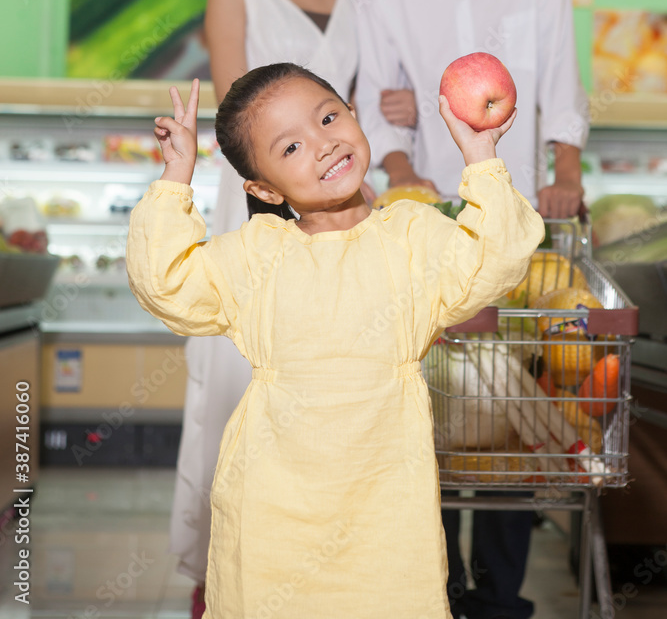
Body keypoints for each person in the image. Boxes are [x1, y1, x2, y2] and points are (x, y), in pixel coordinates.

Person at [127, 63, 545, 618]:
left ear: (353, 113)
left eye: (328, 117)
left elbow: (498, 259)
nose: (323, 144)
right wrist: (176, 179)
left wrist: (482, 158)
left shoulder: (412, 236)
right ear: (263, 188)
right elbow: (166, 283)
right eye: (292, 146)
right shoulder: (257, 254)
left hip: (388, 518)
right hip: (270, 516)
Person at [353, 0, 590, 619]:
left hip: (514, 221)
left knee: (507, 418)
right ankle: (431, 587)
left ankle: (497, 596)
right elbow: (379, 105)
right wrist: (397, 168)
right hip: (422, 229)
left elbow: (559, 79)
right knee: (430, 414)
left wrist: (565, 168)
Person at [169, 0, 359, 617]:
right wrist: (282, 219)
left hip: (339, 222)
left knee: (326, 392)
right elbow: (237, 121)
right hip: (257, 211)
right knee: (238, 385)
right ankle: (222, 580)